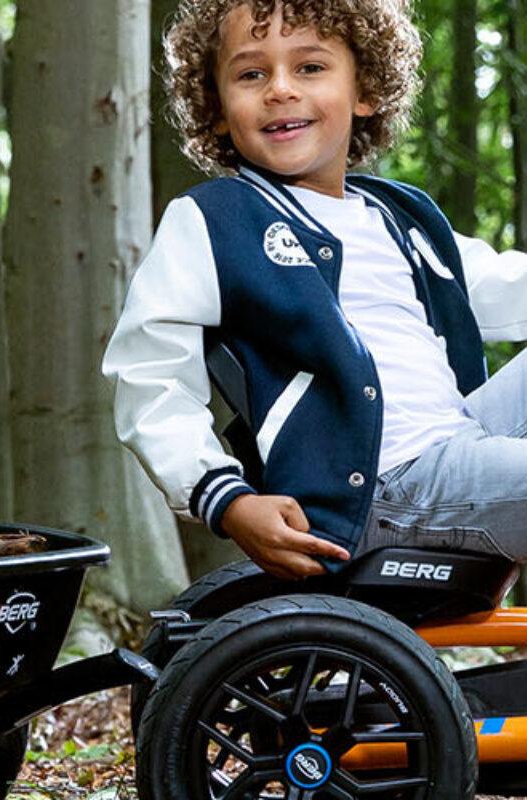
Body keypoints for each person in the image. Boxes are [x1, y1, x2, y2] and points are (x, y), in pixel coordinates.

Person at [101, 0, 527, 581]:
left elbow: (507, 287)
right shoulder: (216, 220)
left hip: (463, 442)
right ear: (218, 109)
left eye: (309, 68)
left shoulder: (400, 214)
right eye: (251, 74)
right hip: (377, 488)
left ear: (365, 91)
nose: (280, 90)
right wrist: (224, 497)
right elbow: (150, 375)